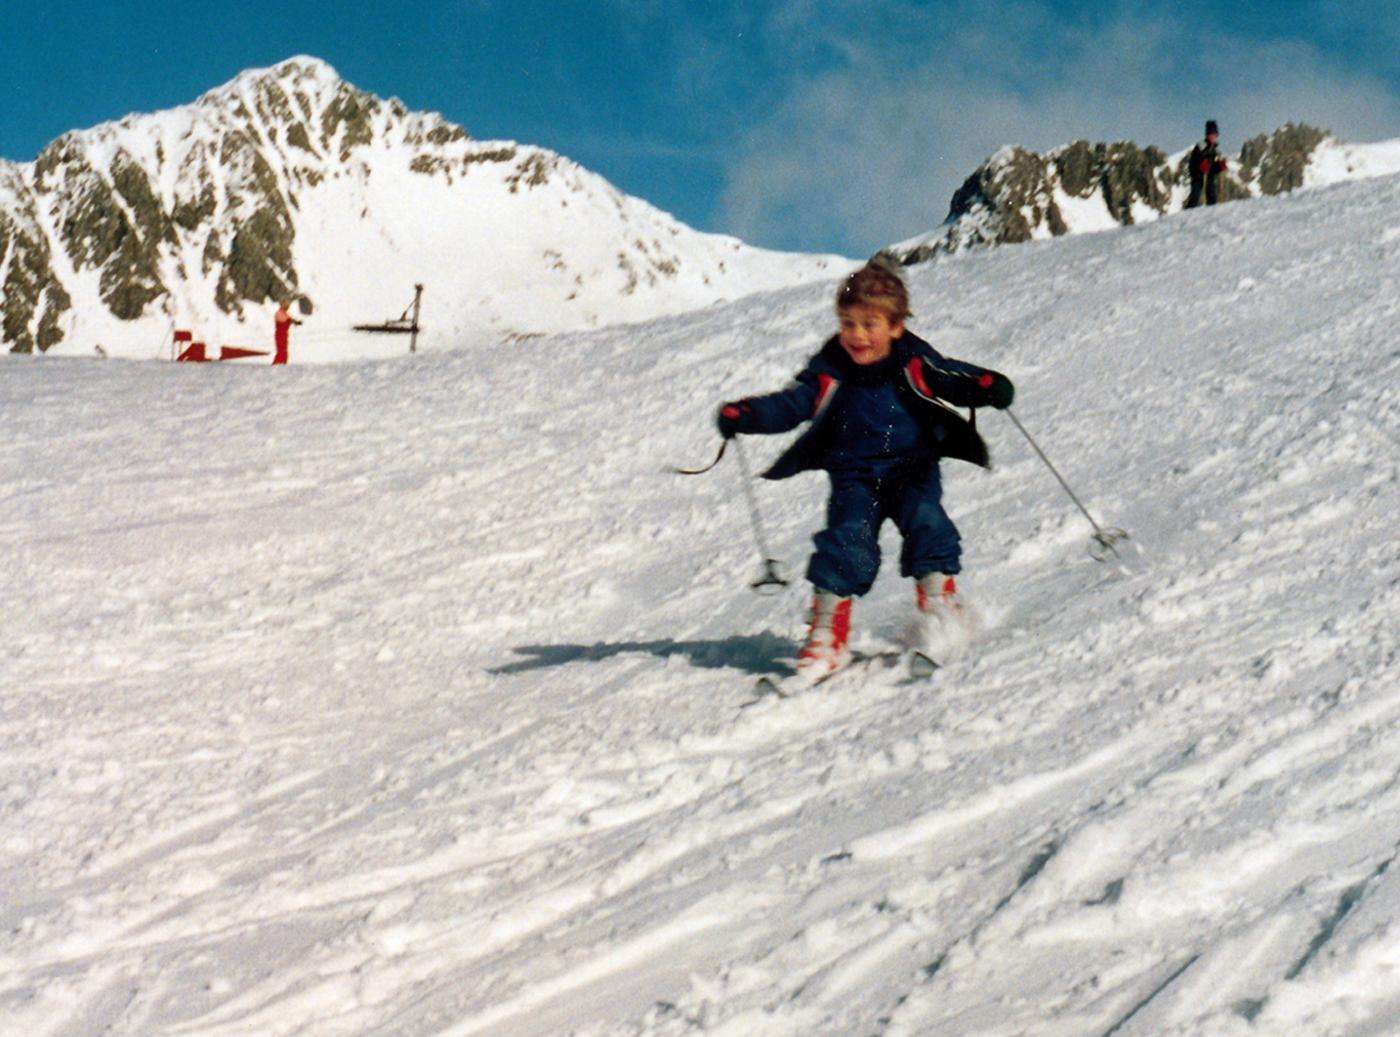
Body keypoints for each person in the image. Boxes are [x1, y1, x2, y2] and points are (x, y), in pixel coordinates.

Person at [715, 260, 1015, 683]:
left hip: (912, 467)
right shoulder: (830, 369)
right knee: (845, 542)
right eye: (847, 323)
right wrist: (746, 414)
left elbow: (950, 377)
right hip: (854, 476)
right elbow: (793, 404)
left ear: (895, 327)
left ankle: (940, 615)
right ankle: (826, 638)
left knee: (928, 524)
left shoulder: (912, 360)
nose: (856, 335)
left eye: (869, 324)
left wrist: (985, 385)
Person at [1186, 120, 1228, 209]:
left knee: (1212, 196)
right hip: (1197, 177)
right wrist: (1200, 166)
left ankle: (1210, 216)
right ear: (1207, 135)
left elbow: (1212, 168)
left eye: (1214, 135)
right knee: (1195, 198)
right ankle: (1186, 216)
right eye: (1211, 134)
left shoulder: (1215, 151)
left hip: (1209, 177)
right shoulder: (1200, 146)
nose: (1213, 137)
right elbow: (1193, 162)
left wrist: (1219, 166)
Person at [273, 299, 302, 365]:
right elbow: (284, 320)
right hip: (280, 334)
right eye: (286, 305)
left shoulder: (285, 313)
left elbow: (289, 319)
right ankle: (277, 365)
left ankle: (281, 365)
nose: (288, 307)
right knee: (281, 351)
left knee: (284, 351)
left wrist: (295, 322)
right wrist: (293, 321)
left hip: (284, 335)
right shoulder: (279, 313)